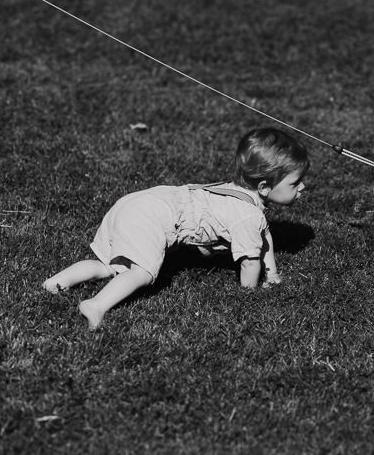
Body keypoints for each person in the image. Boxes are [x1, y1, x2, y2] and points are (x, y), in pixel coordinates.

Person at [43, 127, 309, 328]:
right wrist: (248, 297)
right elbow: (250, 263)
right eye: (295, 183)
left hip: (137, 202)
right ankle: (96, 305)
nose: (302, 188)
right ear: (263, 187)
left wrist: (272, 275)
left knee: (111, 267)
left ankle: (56, 283)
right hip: (152, 215)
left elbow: (264, 238)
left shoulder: (235, 193)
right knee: (143, 273)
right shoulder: (247, 215)